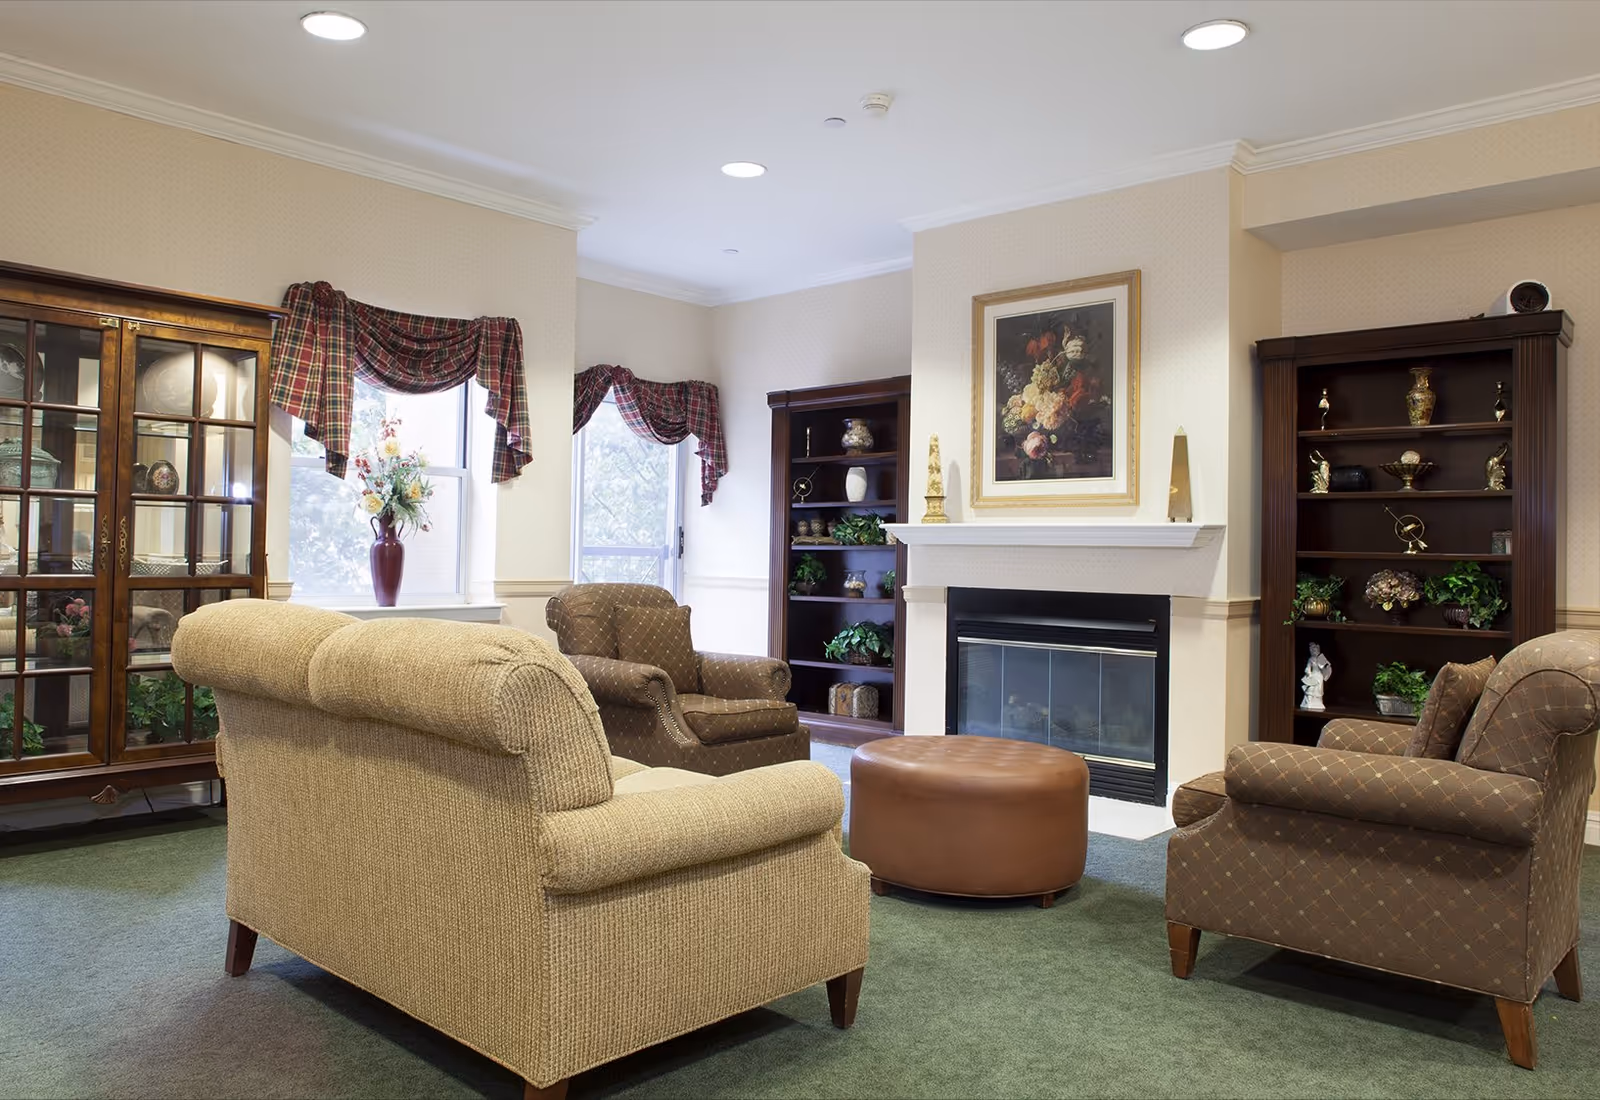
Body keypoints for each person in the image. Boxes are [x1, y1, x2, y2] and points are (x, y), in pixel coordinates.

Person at [1300, 643, 1332, 711]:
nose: (1314, 651)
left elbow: (1326, 666)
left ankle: (1317, 702)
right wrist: (1308, 671)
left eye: (1315, 650)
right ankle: (1309, 702)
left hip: (1318, 676)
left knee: (1317, 690)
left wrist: (1327, 666)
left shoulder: (1321, 658)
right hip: (1312, 675)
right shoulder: (1311, 659)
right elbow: (1308, 667)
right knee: (1309, 689)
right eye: (1312, 650)